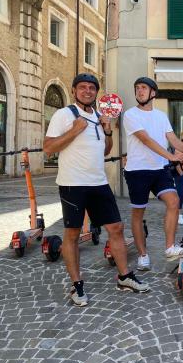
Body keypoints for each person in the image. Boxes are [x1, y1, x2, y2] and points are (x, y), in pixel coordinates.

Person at [43, 73, 149, 307]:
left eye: (92, 88)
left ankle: (124, 277)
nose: (88, 91)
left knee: (116, 228)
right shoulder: (64, 115)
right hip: (73, 183)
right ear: (74, 91)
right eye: (82, 87)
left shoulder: (100, 116)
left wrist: (108, 131)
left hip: (98, 182)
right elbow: (48, 148)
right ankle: (76, 284)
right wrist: (74, 130)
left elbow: (104, 150)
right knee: (72, 234)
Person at [122, 76, 183, 272]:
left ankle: (170, 248)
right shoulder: (130, 114)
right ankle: (143, 254)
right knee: (138, 213)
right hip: (137, 170)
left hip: (159, 170)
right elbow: (146, 140)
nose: (139, 91)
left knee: (174, 201)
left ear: (153, 93)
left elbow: (173, 139)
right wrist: (172, 156)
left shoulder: (161, 116)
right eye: (137, 88)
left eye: (144, 88)